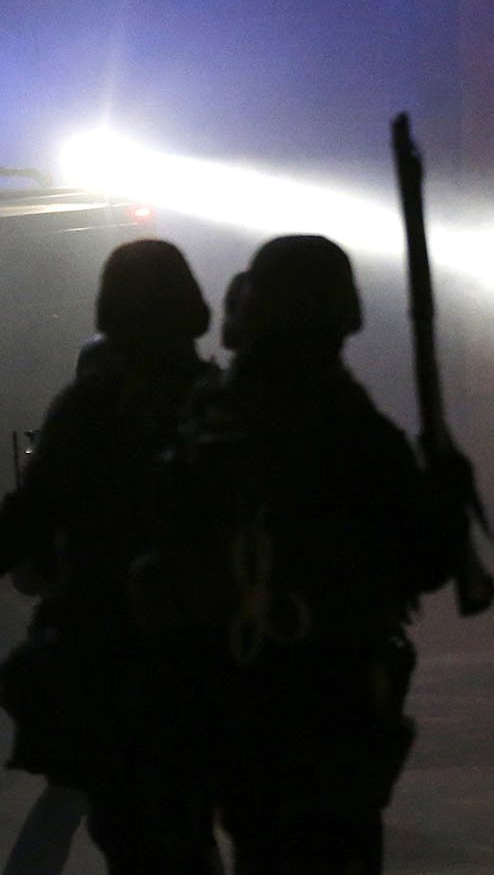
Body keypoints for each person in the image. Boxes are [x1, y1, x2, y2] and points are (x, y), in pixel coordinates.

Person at [0, 239, 222, 874]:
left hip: (112, 647)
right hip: (176, 645)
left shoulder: (85, 414)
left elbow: (28, 539)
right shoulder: (208, 399)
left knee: (91, 795)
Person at [177, 236, 457, 874]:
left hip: (236, 710)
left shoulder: (210, 418)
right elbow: (427, 562)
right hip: (332, 707)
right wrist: (447, 488)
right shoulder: (353, 431)